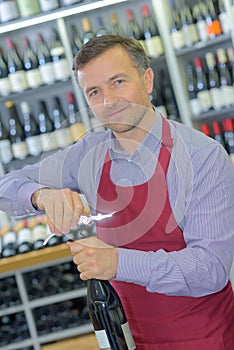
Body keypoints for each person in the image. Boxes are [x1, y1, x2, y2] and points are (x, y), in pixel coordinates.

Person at [0, 35, 233, 349]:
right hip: (125, 338)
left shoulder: (202, 157)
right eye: (95, 92)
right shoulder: (89, 154)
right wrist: (42, 195)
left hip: (203, 338)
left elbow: (210, 270)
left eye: (118, 82)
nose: (108, 101)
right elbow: (6, 186)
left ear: (147, 79)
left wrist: (116, 263)